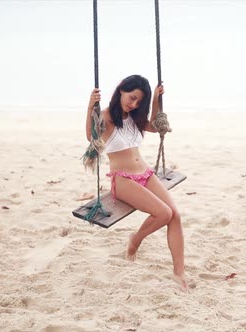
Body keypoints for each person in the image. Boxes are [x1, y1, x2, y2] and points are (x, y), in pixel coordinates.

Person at [85, 75, 188, 291]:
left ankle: (179, 274)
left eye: (138, 101)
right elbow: (90, 136)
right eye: (132, 98)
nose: (133, 104)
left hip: (145, 173)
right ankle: (135, 239)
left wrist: (155, 100)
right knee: (163, 213)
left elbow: (153, 125)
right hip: (122, 179)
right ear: (121, 90)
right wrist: (90, 106)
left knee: (175, 214)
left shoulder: (134, 118)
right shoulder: (105, 117)